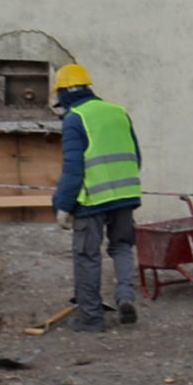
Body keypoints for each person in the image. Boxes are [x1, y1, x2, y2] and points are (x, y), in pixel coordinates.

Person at [51, 63, 143, 332]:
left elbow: (73, 168)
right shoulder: (118, 112)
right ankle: (125, 296)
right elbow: (136, 156)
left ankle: (91, 318)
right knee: (122, 247)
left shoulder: (74, 118)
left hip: (92, 200)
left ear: (65, 92)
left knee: (87, 255)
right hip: (126, 195)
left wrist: (63, 205)